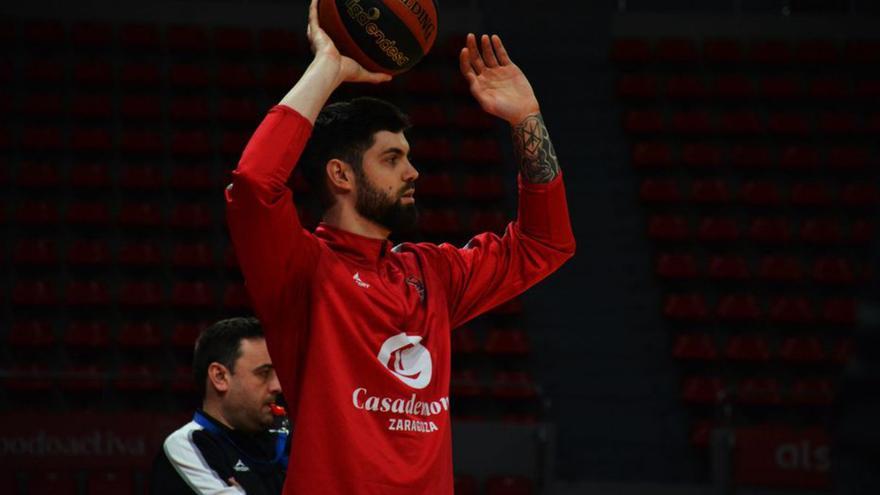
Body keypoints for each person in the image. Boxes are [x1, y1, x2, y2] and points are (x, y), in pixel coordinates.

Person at [225, 1, 575, 493]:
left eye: (408, 157)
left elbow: (547, 242)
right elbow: (255, 182)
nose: (413, 173)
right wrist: (328, 65)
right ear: (340, 174)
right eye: (392, 158)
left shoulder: (432, 272)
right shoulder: (300, 269)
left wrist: (525, 119)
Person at [150, 317, 288, 494]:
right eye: (264, 373)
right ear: (220, 377)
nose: (277, 386)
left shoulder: (287, 438)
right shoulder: (187, 445)